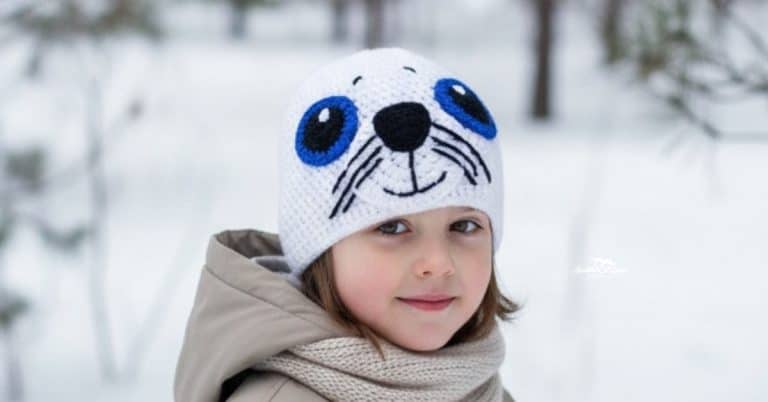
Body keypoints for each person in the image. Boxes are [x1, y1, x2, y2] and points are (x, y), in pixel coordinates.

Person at [174, 47, 521, 402]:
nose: (438, 264)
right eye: (392, 228)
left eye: (463, 226)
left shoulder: (477, 384)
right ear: (321, 251)